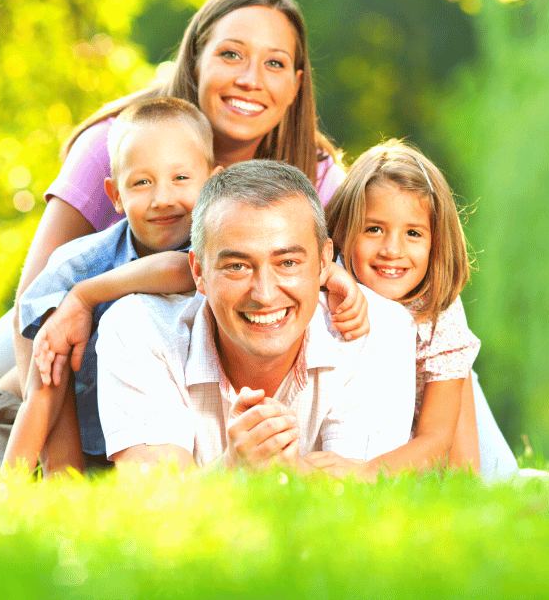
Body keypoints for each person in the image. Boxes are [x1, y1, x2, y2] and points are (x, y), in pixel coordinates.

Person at [0, 0, 367, 469]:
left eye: (273, 63)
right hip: (60, 385)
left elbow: (376, 282)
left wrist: (338, 278)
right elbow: (41, 302)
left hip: (166, 410)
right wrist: (57, 456)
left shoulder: (311, 174)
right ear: (194, 62)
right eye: (231, 55)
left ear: (296, 84)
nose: (251, 79)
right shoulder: (116, 141)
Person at [96, 160, 417, 472]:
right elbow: (154, 507)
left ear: (323, 262)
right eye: (237, 266)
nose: (264, 295)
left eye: (288, 263)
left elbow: (365, 508)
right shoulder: (139, 331)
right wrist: (232, 470)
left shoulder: (382, 332)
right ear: (198, 272)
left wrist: (292, 469)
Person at [3, 98, 221, 472]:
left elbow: (184, 269)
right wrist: (56, 480)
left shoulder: (225, 247)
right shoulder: (78, 266)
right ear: (116, 195)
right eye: (141, 182)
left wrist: (88, 297)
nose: (162, 198)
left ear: (214, 183)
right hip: (97, 444)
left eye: (181, 178)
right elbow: (46, 389)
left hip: (199, 448)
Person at [324, 139, 518, 479]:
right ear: (343, 230)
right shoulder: (325, 291)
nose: (392, 250)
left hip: (416, 451)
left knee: (485, 480)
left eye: (413, 233)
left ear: (435, 243)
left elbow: (438, 438)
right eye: (374, 229)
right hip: (358, 437)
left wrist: (364, 473)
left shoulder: (437, 312)